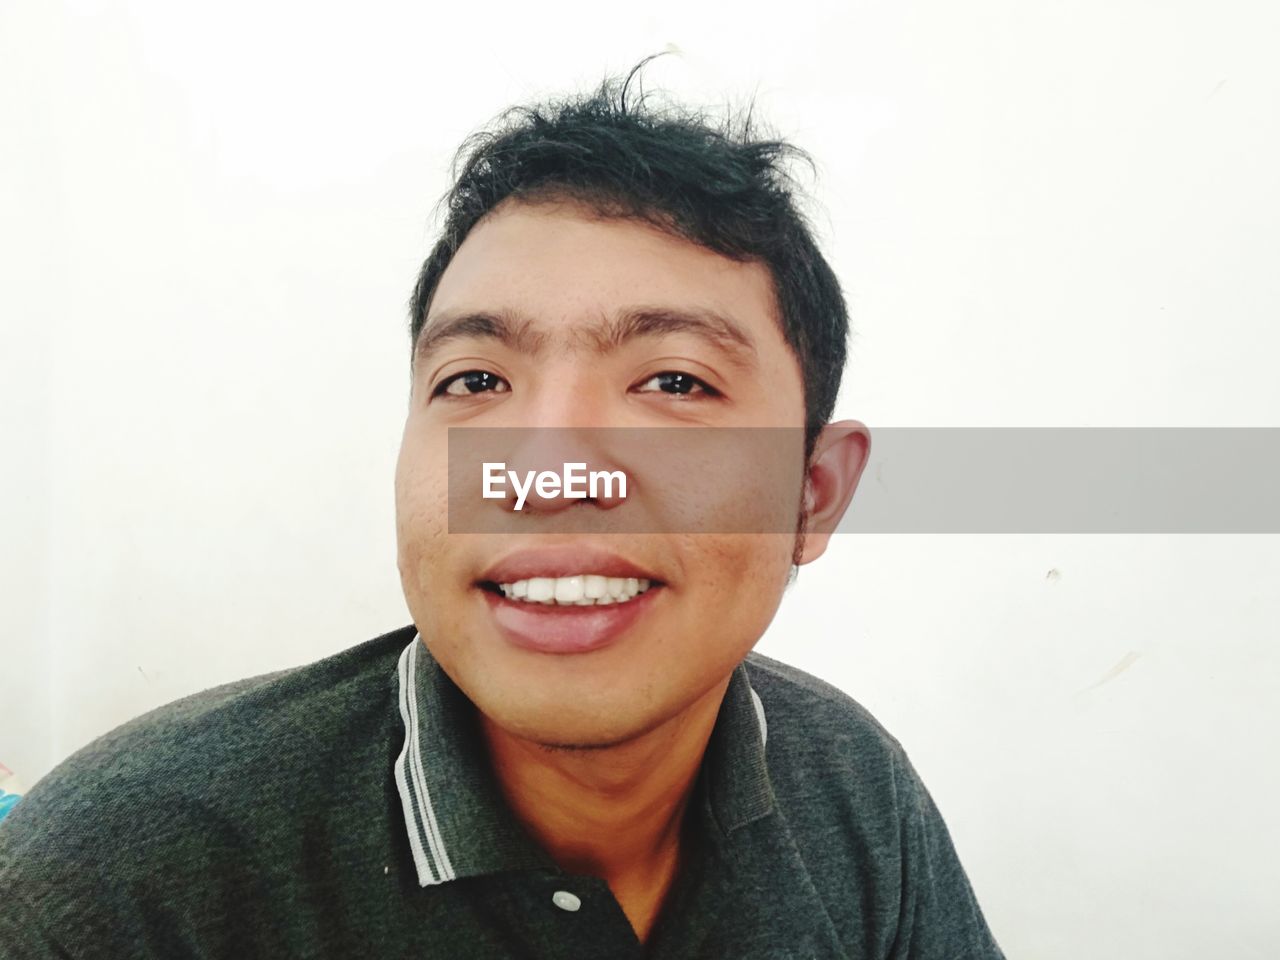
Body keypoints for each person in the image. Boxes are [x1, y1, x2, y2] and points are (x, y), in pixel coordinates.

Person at [0, 60, 1006, 959]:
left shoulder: (851, 788)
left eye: (674, 382)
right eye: (476, 381)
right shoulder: (115, 887)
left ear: (812, 494)